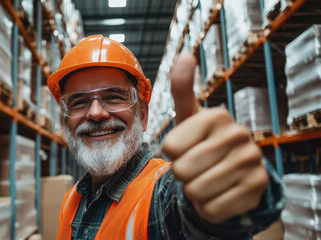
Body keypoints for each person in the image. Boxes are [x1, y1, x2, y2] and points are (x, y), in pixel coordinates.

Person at [47, 35, 285, 239]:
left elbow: (193, 211)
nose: (96, 112)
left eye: (113, 97)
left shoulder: (161, 194)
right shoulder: (72, 199)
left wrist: (235, 183)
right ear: (65, 121)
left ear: (142, 113)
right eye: (79, 102)